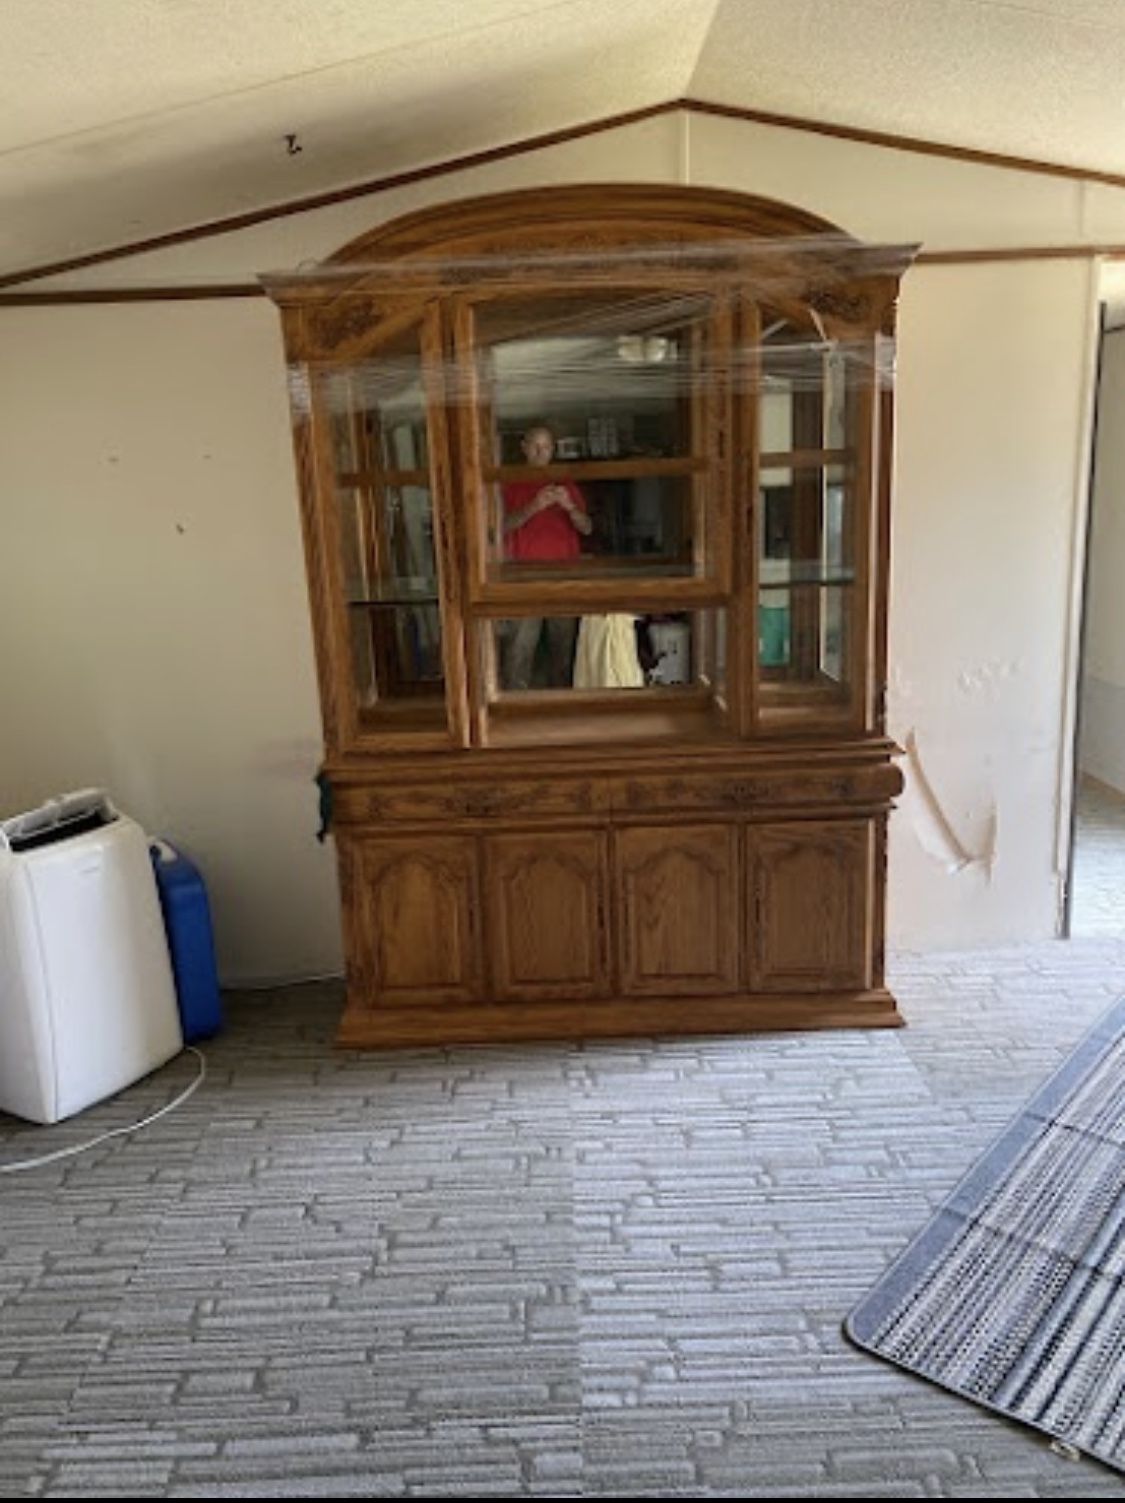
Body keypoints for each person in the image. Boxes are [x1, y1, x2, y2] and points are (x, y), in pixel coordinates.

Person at [500, 424, 592, 690]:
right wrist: (534, 506)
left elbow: (586, 527)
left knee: (564, 648)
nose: (542, 453)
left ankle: (561, 708)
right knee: (519, 648)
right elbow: (500, 527)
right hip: (523, 577)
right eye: (536, 446)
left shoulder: (565, 481)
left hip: (564, 575)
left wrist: (570, 506)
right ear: (524, 448)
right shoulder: (508, 481)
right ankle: (515, 709)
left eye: (547, 447)